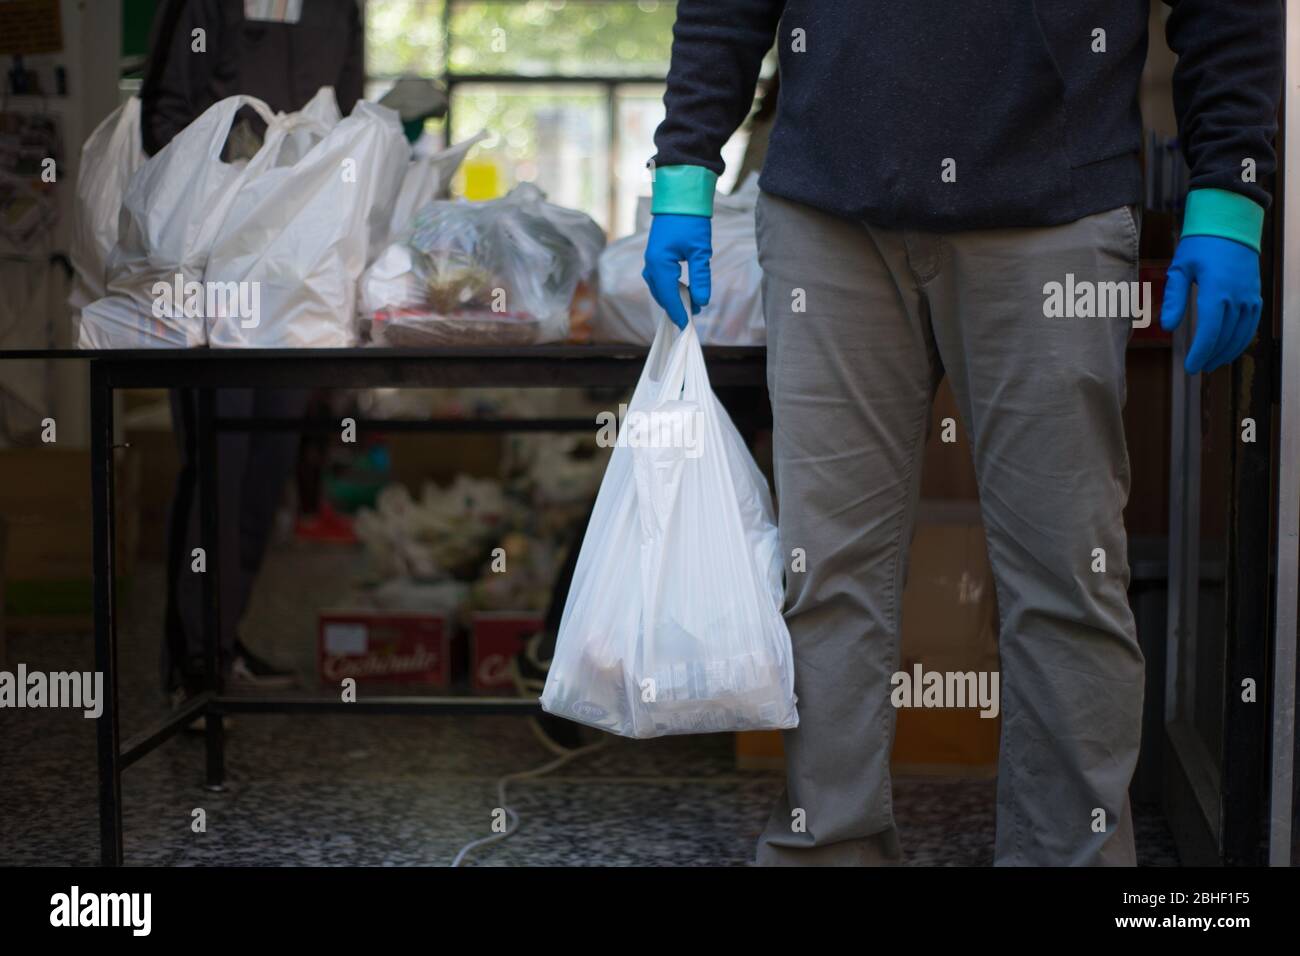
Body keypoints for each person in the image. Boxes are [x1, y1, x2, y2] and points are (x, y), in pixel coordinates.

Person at [643, 2, 1282, 865]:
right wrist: (684, 165)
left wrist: (1230, 190)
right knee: (823, 572)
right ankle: (828, 850)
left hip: (1053, 206)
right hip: (829, 216)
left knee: (1067, 574)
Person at [140, 0, 366, 700]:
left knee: (268, 462)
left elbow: (349, 120)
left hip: (293, 279)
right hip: (212, 273)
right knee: (218, 460)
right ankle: (195, 656)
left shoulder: (339, 10)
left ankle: (224, 637)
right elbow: (161, 119)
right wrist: (236, 163)